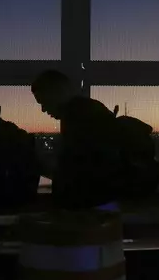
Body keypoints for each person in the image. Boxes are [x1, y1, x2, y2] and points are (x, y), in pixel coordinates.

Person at [31, 69, 123, 211]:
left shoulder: (77, 115)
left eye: (44, 101)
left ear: (58, 92)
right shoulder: (86, 110)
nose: (43, 109)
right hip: (102, 204)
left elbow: (76, 173)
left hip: (92, 210)